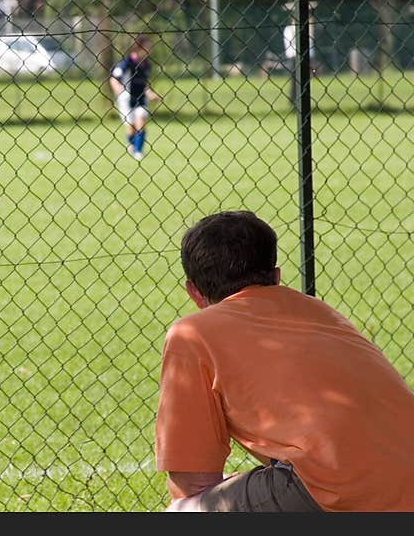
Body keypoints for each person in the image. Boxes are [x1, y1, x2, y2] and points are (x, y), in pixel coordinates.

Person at [156, 210, 414, 512]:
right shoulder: (320, 311)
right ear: (276, 276)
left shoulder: (191, 334)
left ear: (194, 293)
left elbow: (192, 482)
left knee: (184, 510)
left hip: (335, 485)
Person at [109, 35, 161, 161]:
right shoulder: (127, 62)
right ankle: (131, 144)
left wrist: (150, 93)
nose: (150, 49)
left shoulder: (147, 65)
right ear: (139, 47)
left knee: (141, 121)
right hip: (126, 99)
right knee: (130, 127)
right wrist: (118, 88)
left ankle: (138, 152)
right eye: (148, 46)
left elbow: (144, 84)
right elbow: (114, 78)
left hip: (141, 99)